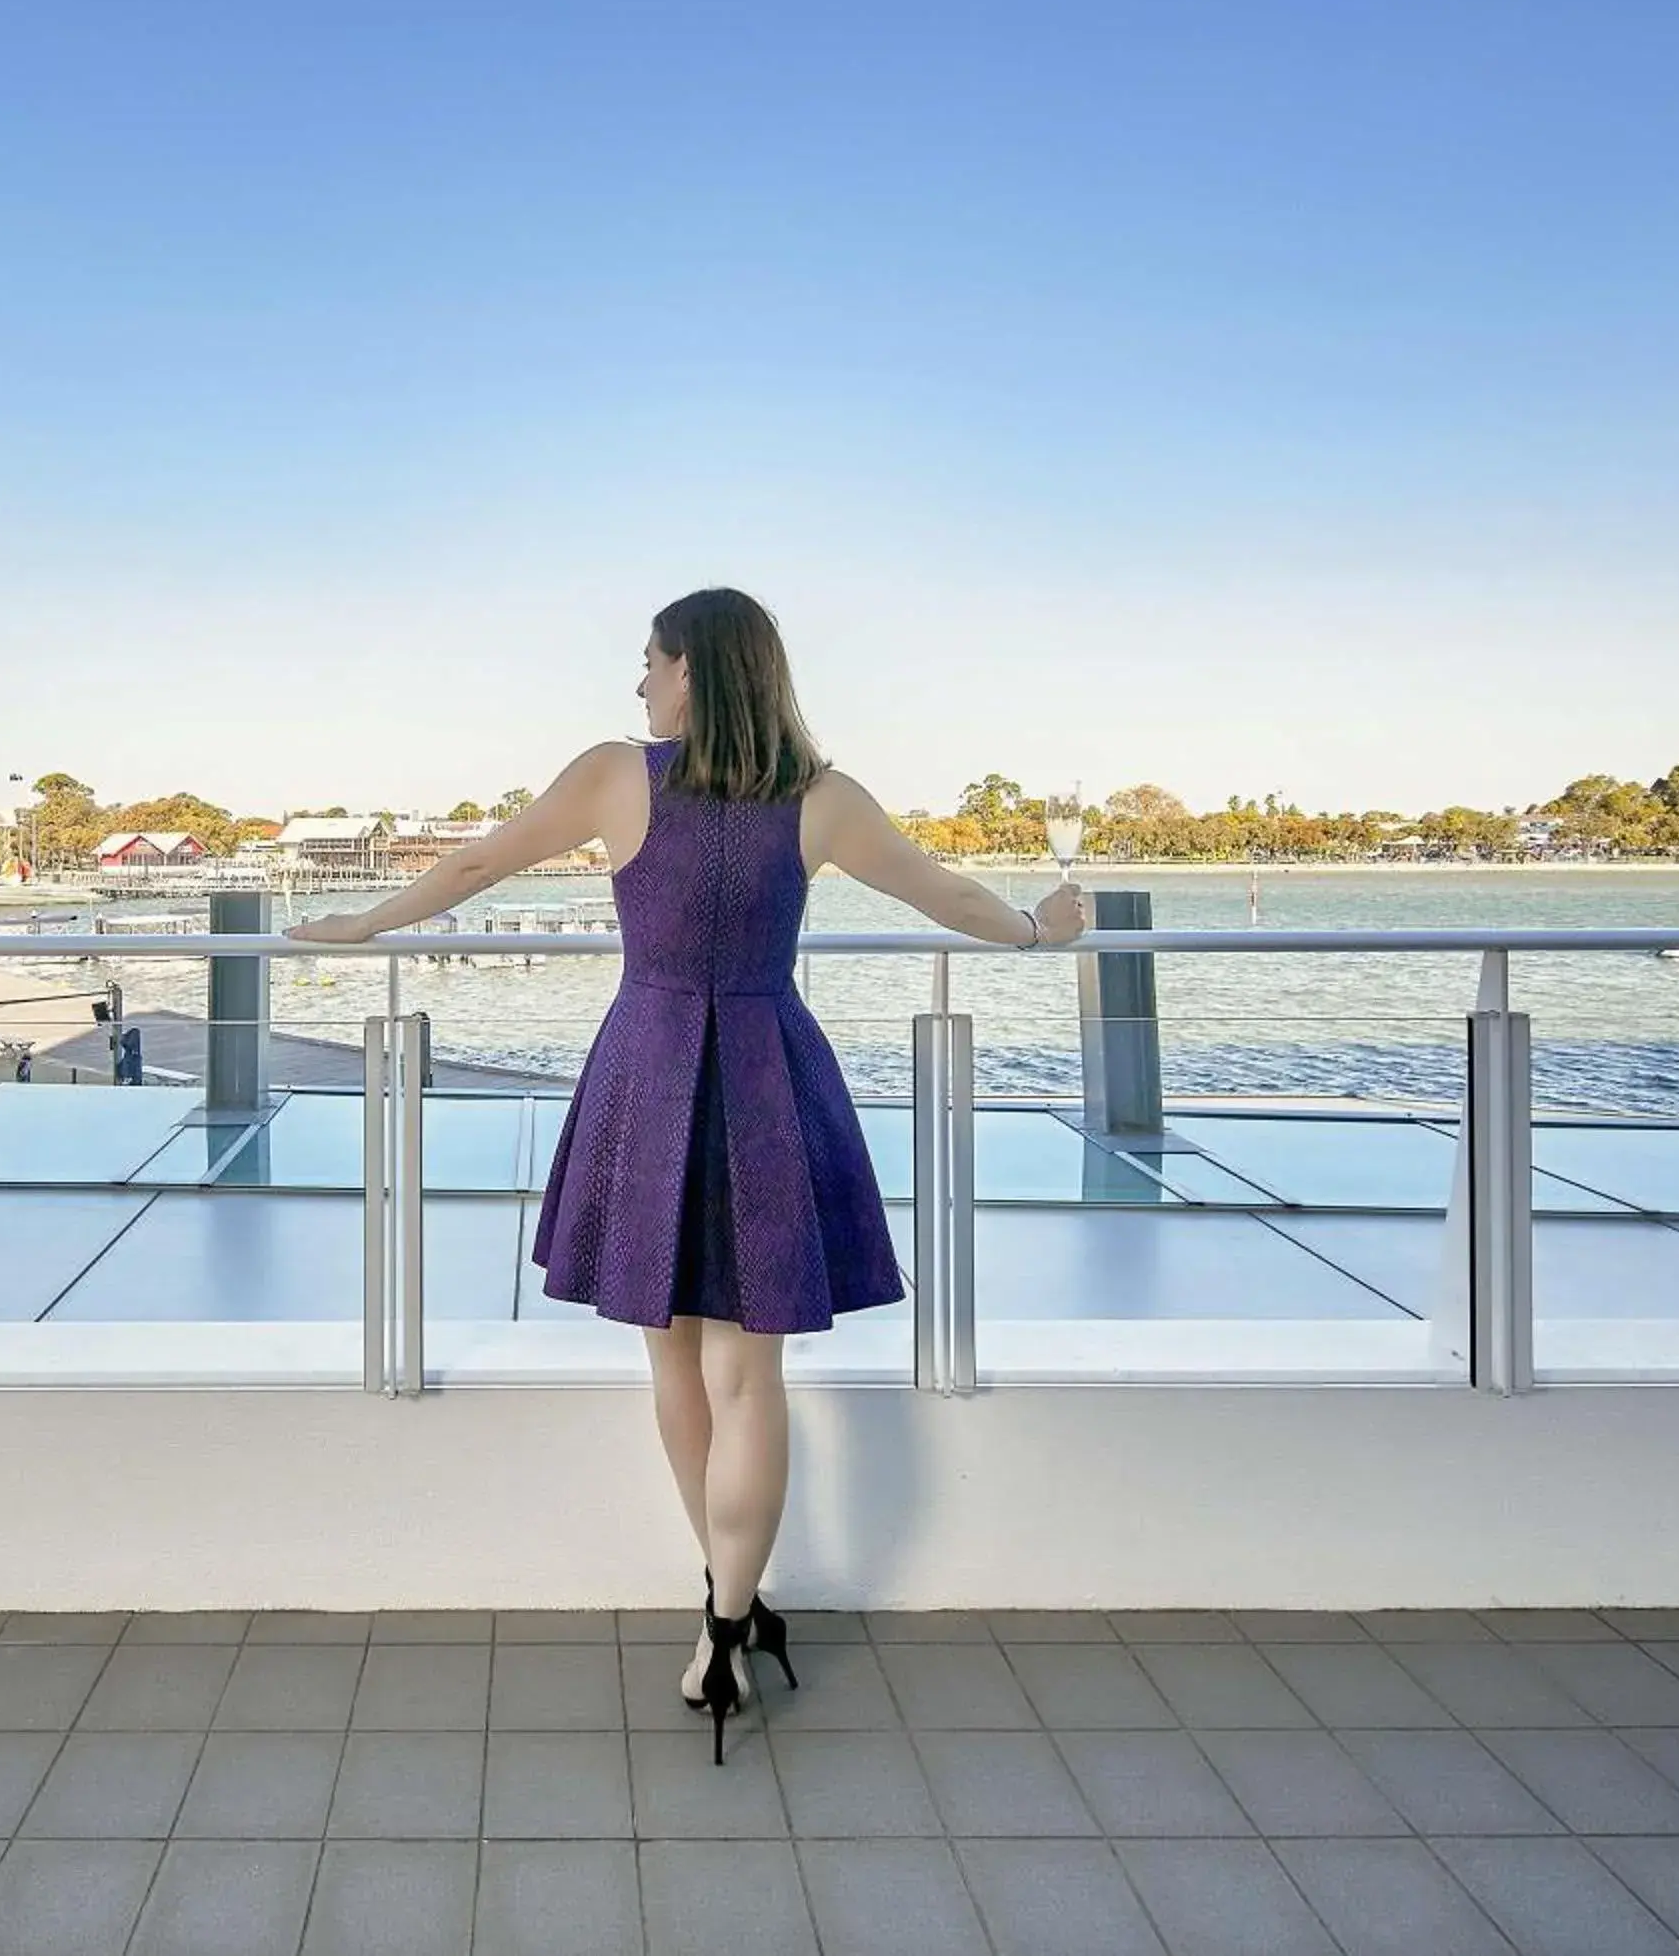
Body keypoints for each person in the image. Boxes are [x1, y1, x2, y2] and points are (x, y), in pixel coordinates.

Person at [288, 586, 1087, 1761]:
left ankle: (721, 1610)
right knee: (749, 1371)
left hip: (650, 1073)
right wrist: (1039, 931)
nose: (639, 683)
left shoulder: (618, 777)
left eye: (651, 662)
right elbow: (948, 895)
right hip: (769, 1072)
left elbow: (472, 868)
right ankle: (729, 1617)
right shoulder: (822, 798)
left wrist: (363, 929)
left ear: (695, 674)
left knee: (674, 1356)